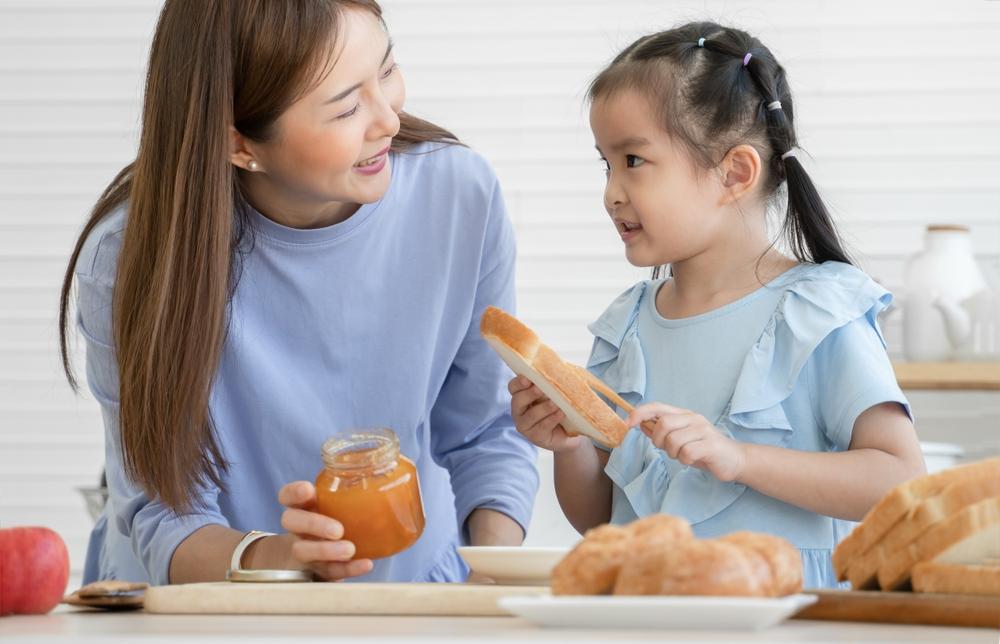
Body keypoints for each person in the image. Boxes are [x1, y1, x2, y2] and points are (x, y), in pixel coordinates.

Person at [59, 0, 537, 586]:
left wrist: (491, 572)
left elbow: (486, 431)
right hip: (208, 604)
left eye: (386, 71)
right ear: (240, 144)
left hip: (413, 588)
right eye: (345, 108)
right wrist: (283, 560)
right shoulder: (132, 258)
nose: (388, 118)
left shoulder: (460, 194)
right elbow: (164, 510)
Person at [509, 21, 925, 588]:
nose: (611, 191)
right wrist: (569, 444)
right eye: (605, 164)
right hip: (651, 618)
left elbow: (899, 483)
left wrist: (739, 459)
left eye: (633, 160)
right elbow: (601, 517)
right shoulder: (626, 326)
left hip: (785, 623)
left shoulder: (817, 311)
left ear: (734, 173)